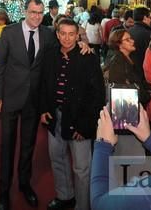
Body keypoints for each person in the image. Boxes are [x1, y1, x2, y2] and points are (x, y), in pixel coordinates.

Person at [0, 0, 90, 210]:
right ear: (25, 11)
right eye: (32, 12)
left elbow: (67, 42)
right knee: (7, 146)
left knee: (28, 146)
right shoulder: (9, 32)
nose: (36, 16)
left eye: (39, 12)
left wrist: (81, 42)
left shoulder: (47, 34)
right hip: (10, 97)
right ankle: (3, 192)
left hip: (34, 100)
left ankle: (25, 185)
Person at [39, 19, 104, 210]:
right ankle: (64, 196)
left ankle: (83, 205)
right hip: (54, 116)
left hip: (79, 120)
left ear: (78, 36)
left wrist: (86, 125)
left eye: (71, 34)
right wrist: (43, 110)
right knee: (57, 158)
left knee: (82, 168)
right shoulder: (50, 55)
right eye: (63, 33)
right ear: (57, 34)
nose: (67, 38)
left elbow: (97, 95)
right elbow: (43, 84)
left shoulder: (88, 58)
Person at [103, 29, 150, 105]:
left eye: (131, 38)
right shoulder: (117, 62)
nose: (132, 41)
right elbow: (121, 90)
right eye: (127, 40)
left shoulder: (130, 57)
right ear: (119, 44)